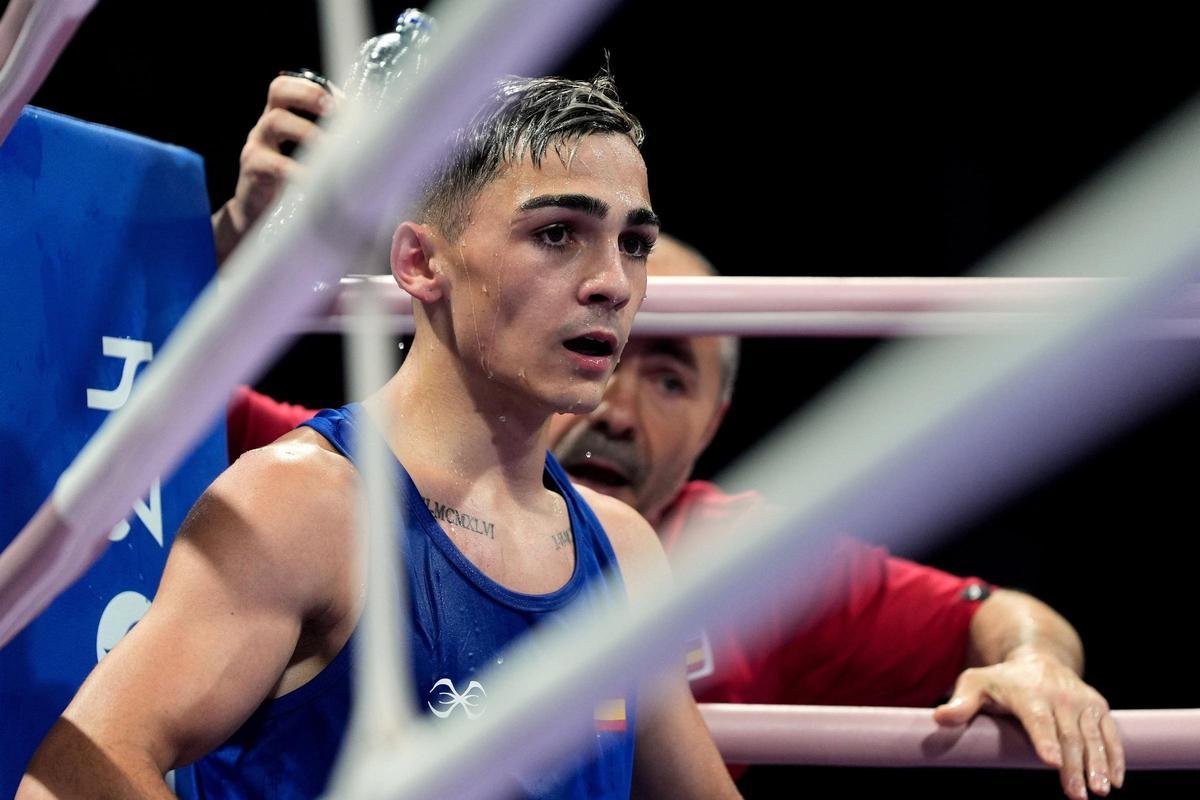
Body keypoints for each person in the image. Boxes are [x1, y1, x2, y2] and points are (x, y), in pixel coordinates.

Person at [219, 75, 1122, 800]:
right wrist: (240, 237)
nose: (617, 399)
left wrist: (1038, 665)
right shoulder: (326, 484)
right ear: (429, 266)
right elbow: (144, 413)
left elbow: (997, 615)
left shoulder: (691, 556)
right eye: (558, 242)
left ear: (716, 421)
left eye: (672, 376)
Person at [18, 74, 740, 800]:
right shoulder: (306, 507)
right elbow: (75, 776)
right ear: (421, 264)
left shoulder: (624, 552)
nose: (613, 282)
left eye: (635, 243)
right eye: (557, 234)